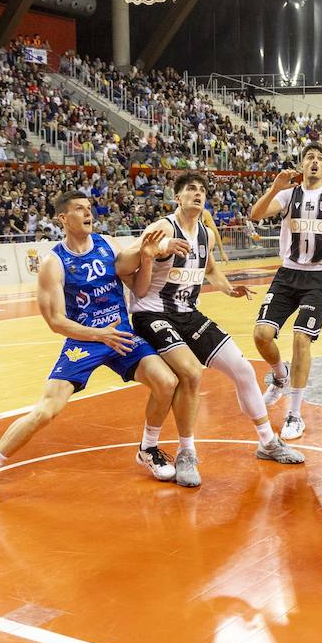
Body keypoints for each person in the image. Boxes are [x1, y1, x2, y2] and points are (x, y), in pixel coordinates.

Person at [0, 192, 183, 504]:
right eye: (79, 209)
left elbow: (139, 288)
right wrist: (98, 335)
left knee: (167, 381)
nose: (88, 212)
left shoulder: (109, 244)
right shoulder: (53, 264)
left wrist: (147, 257)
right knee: (46, 410)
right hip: (84, 340)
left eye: (89, 208)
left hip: (119, 335)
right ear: (62, 219)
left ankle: (148, 448)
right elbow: (56, 321)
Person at [130, 172, 306, 481]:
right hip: (153, 314)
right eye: (190, 190)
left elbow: (209, 267)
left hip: (188, 313)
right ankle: (187, 452)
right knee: (189, 374)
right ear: (178, 198)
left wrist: (227, 287)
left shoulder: (205, 235)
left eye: (201, 190)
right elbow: (128, 258)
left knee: (243, 369)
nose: (197, 194)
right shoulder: (161, 228)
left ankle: (267, 442)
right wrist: (152, 254)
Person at [249, 143, 322, 441]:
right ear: (301, 166)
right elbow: (255, 215)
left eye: (320, 159)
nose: (314, 162)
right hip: (287, 274)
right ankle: (279, 376)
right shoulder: (288, 195)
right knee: (261, 334)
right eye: (309, 158)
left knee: (301, 339)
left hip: (319, 277)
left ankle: (295, 414)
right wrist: (274, 188)